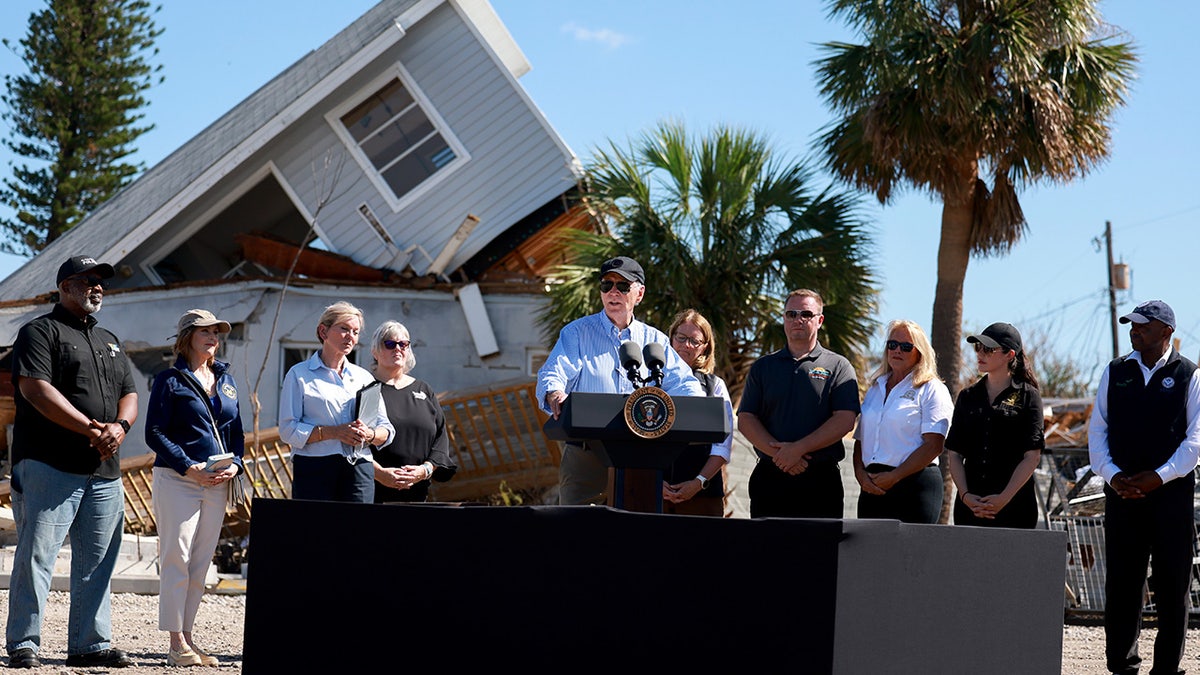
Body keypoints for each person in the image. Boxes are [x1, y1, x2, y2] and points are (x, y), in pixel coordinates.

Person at [4, 255, 137, 669]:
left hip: (104, 471)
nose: (97, 287)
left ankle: (90, 645)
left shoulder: (110, 341)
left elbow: (130, 393)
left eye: (102, 282)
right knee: (37, 556)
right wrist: (91, 429)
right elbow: (35, 389)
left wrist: (121, 427)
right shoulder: (39, 332)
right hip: (49, 463)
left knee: (98, 560)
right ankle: (24, 643)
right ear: (64, 286)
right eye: (87, 280)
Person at [536, 256, 707, 505]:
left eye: (623, 286)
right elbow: (554, 373)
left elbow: (687, 386)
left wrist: (692, 410)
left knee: (635, 538)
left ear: (639, 293)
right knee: (576, 537)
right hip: (586, 457)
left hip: (643, 456)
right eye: (607, 285)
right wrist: (554, 392)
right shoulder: (576, 333)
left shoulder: (655, 340)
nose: (613, 292)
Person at [1086, 300, 1200, 675]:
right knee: (1122, 585)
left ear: (1166, 331)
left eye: (1143, 325)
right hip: (1122, 497)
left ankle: (1166, 668)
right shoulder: (1116, 371)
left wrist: (1159, 476)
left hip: (1171, 498)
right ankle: (1122, 666)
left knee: (1172, 587)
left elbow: (1195, 443)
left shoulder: (1190, 375)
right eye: (1132, 325)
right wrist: (1112, 475)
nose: (1134, 330)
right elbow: (1097, 430)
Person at [144, 309, 245, 667]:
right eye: (206, 331)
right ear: (187, 336)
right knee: (177, 556)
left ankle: (187, 638)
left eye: (217, 331)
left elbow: (236, 431)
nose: (214, 336)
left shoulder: (226, 379)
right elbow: (154, 433)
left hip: (218, 480)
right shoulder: (168, 380)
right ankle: (175, 643)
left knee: (201, 562)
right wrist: (189, 467)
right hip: (178, 480)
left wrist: (236, 464)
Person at [737, 289, 860, 518]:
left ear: (820, 320)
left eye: (806, 314)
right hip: (770, 477)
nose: (798, 320)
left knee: (819, 553)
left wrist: (798, 450)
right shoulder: (763, 367)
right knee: (766, 552)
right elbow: (746, 418)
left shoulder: (839, 366)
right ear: (784, 318)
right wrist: (781, 456)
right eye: (791, 314)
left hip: (820, 481)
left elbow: (845, 419)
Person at [279, 301, 394, 503]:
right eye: (344, 329)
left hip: (360, 468)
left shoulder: (364, 377)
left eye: (356, 332)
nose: (351, 336)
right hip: (315, 468)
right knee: (316, 532)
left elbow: (386, 429)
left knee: (358, 532)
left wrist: (370, 434)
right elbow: (288, 430)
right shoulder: (298, 374)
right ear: (323, 332)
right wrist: (334, 432)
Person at [945, 322, 1044, 528]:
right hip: (970, 508)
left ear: (1010, 354)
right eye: (977, 348)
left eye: (988, 349)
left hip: (1015, 509)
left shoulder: (1029, 396)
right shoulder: (967, 396)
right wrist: (965, 496)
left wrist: (1003, 498)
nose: (980, 354)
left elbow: (1032, 456)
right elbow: (954, 454)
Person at [852, 319, 952, 524]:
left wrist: (895, 476)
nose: (897, 350)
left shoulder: (931, 388)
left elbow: (934, 445)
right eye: (892, 344)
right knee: (871, 555)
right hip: (872, 485)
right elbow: (861, 440)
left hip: (915, 485)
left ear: (920, 353)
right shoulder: (875, 389)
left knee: (911, 556)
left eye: (906, 347)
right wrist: (861, 475)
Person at [368, 320, 457, 502]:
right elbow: (353, 444)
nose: (397, 349)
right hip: (374, 494)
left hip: (418, 493)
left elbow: (441, 438)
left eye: (403, 344)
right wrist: (380, 474)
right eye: (390, 344)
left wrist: (424, 470)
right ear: (375, 351)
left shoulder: (424, 390)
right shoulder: (366, 390)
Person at [662, 309, 733, 516]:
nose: (686, 345)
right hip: (654, 494)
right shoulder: (650, 381)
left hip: (703, 497)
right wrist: (655, 482)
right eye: (681, 338)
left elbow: (723, 445)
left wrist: (698, 483)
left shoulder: (715, 386)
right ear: (671, 339)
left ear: (704, 348)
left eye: (694, 341)